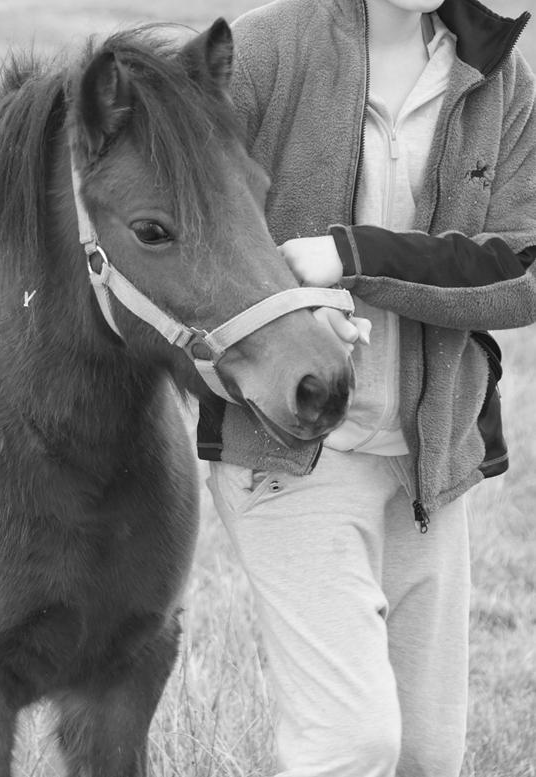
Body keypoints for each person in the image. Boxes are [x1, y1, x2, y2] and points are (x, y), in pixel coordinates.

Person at [197, 0, 536, 775]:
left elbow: (525, 270)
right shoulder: (262, 50)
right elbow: (189, 233)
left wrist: (351, 256)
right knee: (350, 745)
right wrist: (288, 309)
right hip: (290, 453)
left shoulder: (499, 77)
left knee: (426, 756)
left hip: (429, 465)